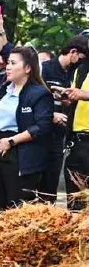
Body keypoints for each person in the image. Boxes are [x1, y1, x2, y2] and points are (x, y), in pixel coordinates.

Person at [0, 47, 53, 211]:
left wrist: (12, 141)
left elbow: (42, 126)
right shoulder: (5, 89)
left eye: (13, 63)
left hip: (19, 148)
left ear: (28, 68)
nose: (8, 67)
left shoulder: (39, 93)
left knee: (16, 203)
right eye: (8, 63)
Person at [39, 35, 89, 203]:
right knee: (74, 198)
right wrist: (68, 99)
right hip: (72, 139)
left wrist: (84, 95)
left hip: (79, 137)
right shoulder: (78, 71)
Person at [62, 53, 89, 209]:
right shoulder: (82, 68)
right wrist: (69, 99)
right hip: (78, 141)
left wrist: (86, 95)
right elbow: (77, 99)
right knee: (75, 201)